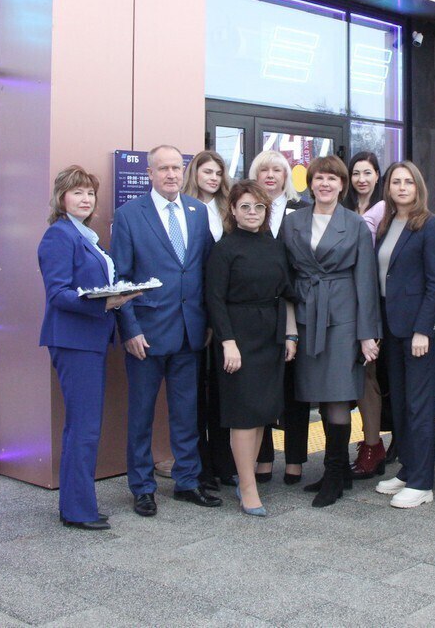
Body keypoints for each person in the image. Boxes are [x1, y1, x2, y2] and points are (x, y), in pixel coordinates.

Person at [113, 144, 222, 516]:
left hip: (190, 332)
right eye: (163, 168)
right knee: (141, 415)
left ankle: (187, 481)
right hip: (146, 334)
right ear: (150, 173)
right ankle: (142, 487)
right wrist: (129, 329)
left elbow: (203, 270)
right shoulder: (129, 215)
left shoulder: (197, 211)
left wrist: (207, 322)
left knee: (186, 414)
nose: (172, 174)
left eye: (177, 167)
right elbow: (121, 278)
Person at [37, 166, 138, 530]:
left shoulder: (85, 235)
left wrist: (119, 295)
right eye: (77, 192)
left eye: (90, 193)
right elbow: (58, 294)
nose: (85, 199)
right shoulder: (59, 235)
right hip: (74, 341)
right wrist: (104, 302)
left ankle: (76, 504)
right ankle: (78, 510)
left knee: (84, 426)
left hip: (89, 340)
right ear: (61, 197)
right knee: (83, 427)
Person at [280, 155, 381, 507]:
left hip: (342, 318)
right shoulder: (293, 221)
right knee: (318, 394)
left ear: (342, 185)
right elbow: (285, 275)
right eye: (319, 178)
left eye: (332, 178)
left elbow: (366, 280)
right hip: (306, 315)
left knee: (337, 395)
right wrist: (289, 329)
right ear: (310, 183)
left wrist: (367, 334)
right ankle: (335, 472)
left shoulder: (354, 224)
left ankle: (336, 473)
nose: (325, 184)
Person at [204, 180, 298, 518]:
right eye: (245, 206)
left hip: (269, 335)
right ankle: (247, 486)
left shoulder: (274, 246)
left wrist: (290, 335)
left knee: (261, 413)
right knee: (243, 415)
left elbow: (286, 292)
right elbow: (214, 299)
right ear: (232, 209)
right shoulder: (224, 249)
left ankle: (249, 480)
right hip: (238, 337)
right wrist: (228, 342)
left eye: (259, 207)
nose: (252, 212)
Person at [371, 161, 435, 508]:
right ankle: (407, 470)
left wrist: (423, 330)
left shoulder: (430, 226)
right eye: (396, 182)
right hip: (392, 328)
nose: (401, 187)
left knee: (419, 406)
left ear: (418, 187)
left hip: (417, 332)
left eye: (408, 182)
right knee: (400, 404)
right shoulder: (387, 224)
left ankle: (421, 483)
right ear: (388, 188)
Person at [248, 150, 309, 485]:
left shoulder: (301, 210)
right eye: (264, 170)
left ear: (286, 176)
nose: (270, 175)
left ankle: (296, 458)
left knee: (294, 388)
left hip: (295, 307)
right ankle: (264, 457)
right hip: (257, 313)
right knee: (261, 387)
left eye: (277, 170)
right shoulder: (247, 210)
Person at [183, 150, 236, 491]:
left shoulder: (227, 209)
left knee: (220, 390)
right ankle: (200, 465)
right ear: (195, 174)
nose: (214, 178)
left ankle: (223, 463)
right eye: (207, 172)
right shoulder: (184, 208)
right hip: (193, 310)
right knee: (195, 393)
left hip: (225, 311)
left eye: (218, 173)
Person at [344, 151, 391, 479]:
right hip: (343, 301)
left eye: (367, 173)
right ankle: (370, 443)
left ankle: (373, 445)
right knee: (352, 374)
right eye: (356, 173)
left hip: (373, 301)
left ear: (377, 176)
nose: (361, 179)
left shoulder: (385, 210)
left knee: (368, 374)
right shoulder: (343, 208)